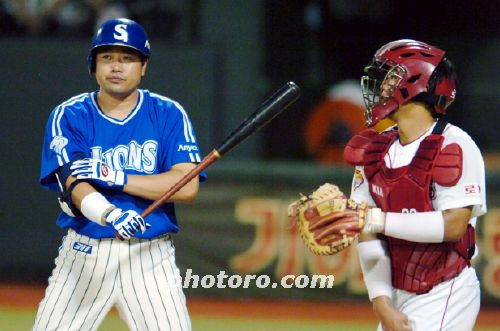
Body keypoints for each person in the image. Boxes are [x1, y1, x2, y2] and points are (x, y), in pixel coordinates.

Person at [33, 18, 205, 331]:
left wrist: (117, 177)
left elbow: (187, 185)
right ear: (93, 65)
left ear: (144, 67)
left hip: (149, 255)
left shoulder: (168, 113)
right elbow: (74, 185)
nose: (116, 66)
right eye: (107, 57)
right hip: (86, 253)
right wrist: (111, 214)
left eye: (127, 58)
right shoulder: (70, 114)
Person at [343, 39, 487, 330]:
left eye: (391, 77)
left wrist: (373, 219)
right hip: (397, 293)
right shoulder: (374, 149)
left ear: (415, 83)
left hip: (446, 289)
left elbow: (453, 226)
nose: (382, 87)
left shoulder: (455, 144)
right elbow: (367, 234)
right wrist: (381, 304)